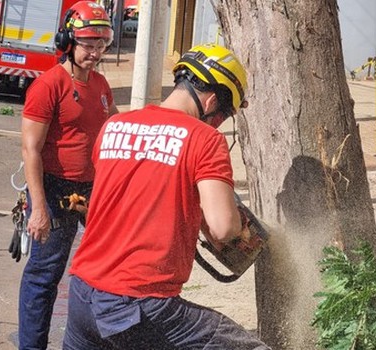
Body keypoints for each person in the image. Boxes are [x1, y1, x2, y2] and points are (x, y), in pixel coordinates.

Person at [62, 43, 270, 350]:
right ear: (211, 99)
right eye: (224, 115)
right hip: (139, 305)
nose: (218, 123)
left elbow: (135, 193)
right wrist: (238, 229)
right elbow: (224, 227)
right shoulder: (204, 139)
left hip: (82, 296)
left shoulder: (114, 126)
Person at [18, 1, 119, 348]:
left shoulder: (102, 85)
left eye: (102, 44)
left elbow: (114, 129)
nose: (95, 52)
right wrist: (40, 209)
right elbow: (31, 149)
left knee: (111, 262)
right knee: (45, 275)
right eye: (88, 44)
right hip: (53, 187)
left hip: (92, 189)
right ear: (68, 42)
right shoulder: (49, 85)